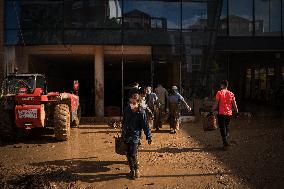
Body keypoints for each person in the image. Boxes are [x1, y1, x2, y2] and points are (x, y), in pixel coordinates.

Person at [122, 95, 152, 179]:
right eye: (130, 102)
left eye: (134, 103)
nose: (131, 104)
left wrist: (148, 136)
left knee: (133, 153)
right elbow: (124, 121)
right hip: (126, 134)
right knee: (128, 153)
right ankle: (132, 170)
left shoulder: (141, 113)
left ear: (138, 103)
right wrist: (122, 130)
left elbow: (145, 125)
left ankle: (137, 170)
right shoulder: (127, 109)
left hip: (135, 136)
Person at [212, 80, 238, 150]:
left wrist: (212, 110)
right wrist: (236, 112)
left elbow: (216, 103)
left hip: (221, 113)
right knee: (227, 126)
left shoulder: (219, 93)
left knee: (222, 128)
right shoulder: (231, 94)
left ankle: (225, 142)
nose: (220, 86)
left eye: (221, 85)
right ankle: (226, 140)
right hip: (229, 114)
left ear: (222, 85)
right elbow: (234, 104)